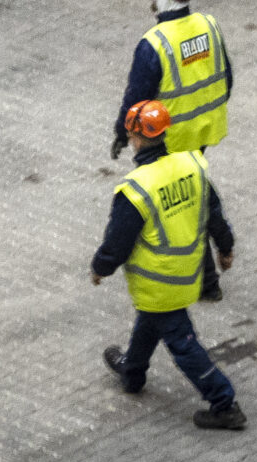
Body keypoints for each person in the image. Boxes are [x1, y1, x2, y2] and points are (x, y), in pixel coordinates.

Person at [91, 98, 246, 430]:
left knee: (181, 341)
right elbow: (214, 212)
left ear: (136, 138)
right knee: (150, 320)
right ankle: (132, 373)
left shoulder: (136, 188)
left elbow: (117, 242)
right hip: (187, 272)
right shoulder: (191, 165)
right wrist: (226, 247)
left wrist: (100, 268)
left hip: (159, 280)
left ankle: (224, 402)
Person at [113, 0, 233, 159]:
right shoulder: (209, 25)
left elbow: (137, 99)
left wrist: (122, 133)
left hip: (167, 140)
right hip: (203, 133)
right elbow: (226, 81)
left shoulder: (154, 44)